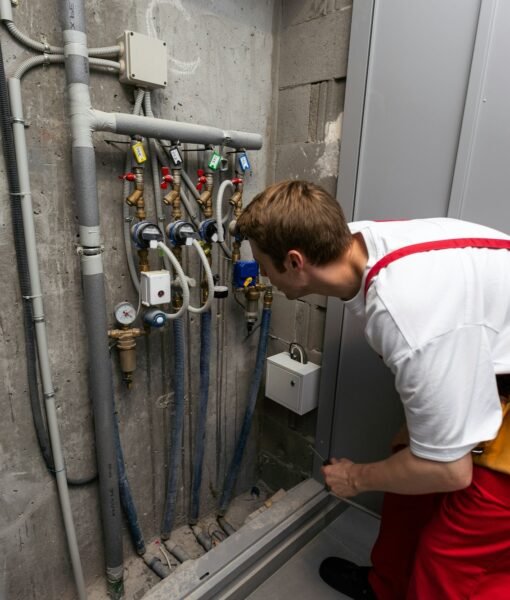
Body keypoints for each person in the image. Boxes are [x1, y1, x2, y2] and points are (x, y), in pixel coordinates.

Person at [235, 179, 510, 600]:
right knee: (408, 486)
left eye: (264, 265)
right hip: (484, 367)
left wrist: (356, 478)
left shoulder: (409, 315)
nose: (263, 275)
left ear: (294, 261)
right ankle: (387, 588)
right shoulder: (352, 242)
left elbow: (451, 472)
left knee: (452, 563)